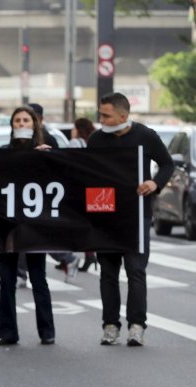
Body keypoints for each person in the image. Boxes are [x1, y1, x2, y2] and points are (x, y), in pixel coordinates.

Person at [87, 92, 174, 346]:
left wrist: (154, 183)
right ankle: (110, 325)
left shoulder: (145, 135)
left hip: (137, 215)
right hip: (105, 216)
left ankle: (137, 325)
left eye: (106, 115)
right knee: (108, 273)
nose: (101, 119)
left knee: (136, 271)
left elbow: (167, 164)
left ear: (122, 116)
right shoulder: (96, 139)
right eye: (100, 114)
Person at [0, 106, 56, 346]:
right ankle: (8, 332)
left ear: (34, 125)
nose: (21, 124)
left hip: (35, 226)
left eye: (26, 121)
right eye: (17, 121)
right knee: (6, 279)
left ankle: (47, 331)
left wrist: (47, 157)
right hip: (7, 226)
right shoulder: (2, 153)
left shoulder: (44, 151)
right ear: (12, 126)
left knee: (38, 278)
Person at [67, 117, 98, 272]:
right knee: (89, 222)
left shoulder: (75, 142)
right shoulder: (94, 141)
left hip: (79, 187)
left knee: (76, 223)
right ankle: (90, 254)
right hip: (93, 187)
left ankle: (69, 256)